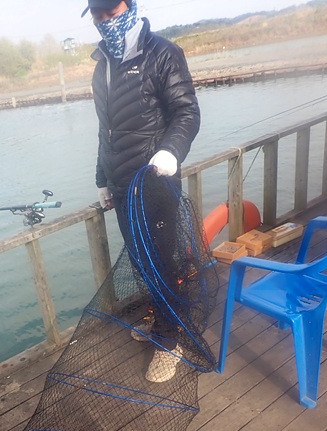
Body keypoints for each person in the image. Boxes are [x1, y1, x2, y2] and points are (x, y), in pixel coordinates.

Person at [82, 0, 201, 383]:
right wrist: (102, 179)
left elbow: (187, 112)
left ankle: (170, 342)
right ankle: (159, 318)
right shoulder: (102, 66)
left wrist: (172, 151)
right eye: (98, 15)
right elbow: (106, 132)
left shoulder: (163, 53)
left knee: (163, 263)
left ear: (130, 6)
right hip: (121, 188)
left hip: (155, 182)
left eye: (112, 11)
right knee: (139, 261)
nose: (106, 20)